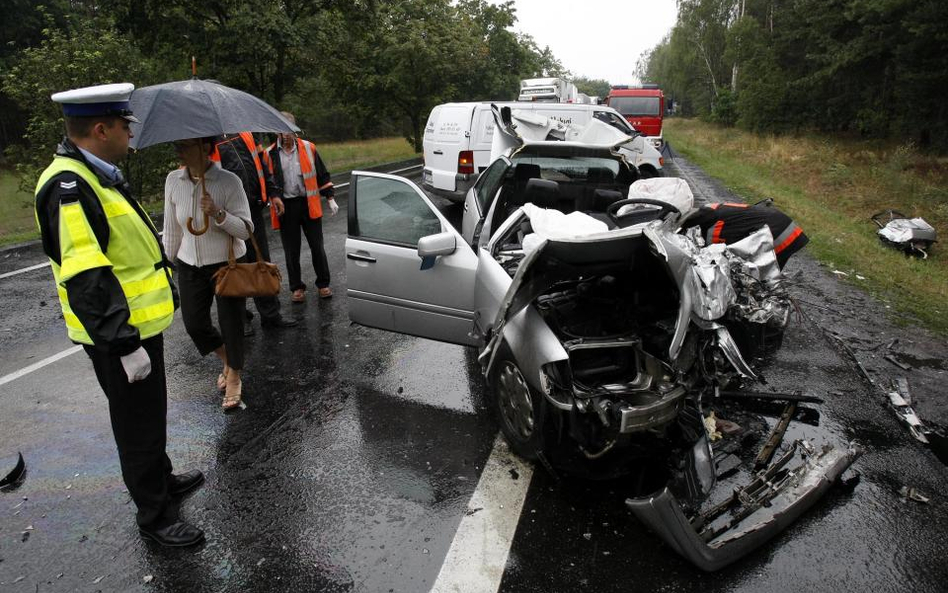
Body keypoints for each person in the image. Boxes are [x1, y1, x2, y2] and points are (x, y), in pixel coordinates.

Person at [34, 83, 204, 547]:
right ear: (100, 128)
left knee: (150, 415)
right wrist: (123, 343)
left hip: (139, 325)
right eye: (126, 126)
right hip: (120, 334)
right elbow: (86, 273)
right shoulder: (68, 185)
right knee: (136, 426)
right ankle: (155, 516)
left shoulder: (96, 172)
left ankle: (161, 478)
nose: (132, 133)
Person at [163, 136, 253, 411]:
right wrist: (166, 263)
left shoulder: (228, 182)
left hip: (226, 264)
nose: (178, 148)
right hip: (190, 264)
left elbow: (247, 230)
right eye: (177, 144)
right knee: (194, 324)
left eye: (185, 144)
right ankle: (227, 358)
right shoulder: (173, 181)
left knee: (231, 322)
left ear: (204, 148)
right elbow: (172, 228)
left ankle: (235, 374)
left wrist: (218, 213)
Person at [213, 132, 298, 335]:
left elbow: (262, 166)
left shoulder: (246, 133)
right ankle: (240, 319)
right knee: (234, 265)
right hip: (228, 214)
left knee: (261, 261)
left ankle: (271, 315)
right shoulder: (207, 139)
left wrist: (274, 193)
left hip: (253, 208)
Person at [262, 111, 338, 302]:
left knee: (317, 247)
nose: (286, 135)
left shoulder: (308, 147)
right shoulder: (269, 154)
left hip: (308, 204)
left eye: (289, 130)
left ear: (294, 130)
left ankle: (323, 284)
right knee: (291, 250)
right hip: (286, 207)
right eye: (282, 130)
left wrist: (330, 197)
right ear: (276, 132)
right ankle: (297, 287)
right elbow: (267, 182)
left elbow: (322, 174)